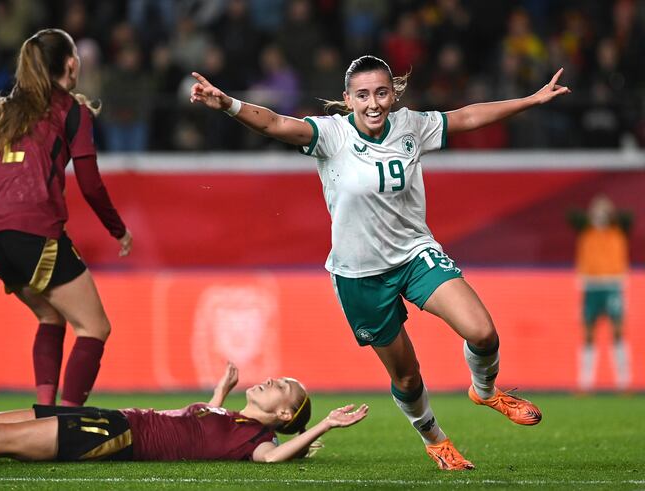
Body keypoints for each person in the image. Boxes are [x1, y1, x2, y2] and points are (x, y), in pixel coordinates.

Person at [190, 55, 571, 470]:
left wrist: (530, 100)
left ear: (394, 94)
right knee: (407, 375)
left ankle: (485, 390)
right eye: (363, 94)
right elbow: (276, 123)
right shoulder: (331, 134)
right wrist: (228, 103)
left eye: (382, 92)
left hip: (414, 254)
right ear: (348, 98)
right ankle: (436, 441)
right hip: (359, 276)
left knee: (482, 332)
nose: (373, 103)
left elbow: (466, 117)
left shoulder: (411, 126)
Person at [0, 28, 133, 407]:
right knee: (94, 327)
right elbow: (90, 185)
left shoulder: (3, 112)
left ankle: (45, 411)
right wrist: (118, 229)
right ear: (72, 65)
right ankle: (69, 422)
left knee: (51, 317)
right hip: (34, 233)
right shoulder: (71, 110)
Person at [0, 362, 368, 464]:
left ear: (284, 415)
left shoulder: (254, 442)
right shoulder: (228, 420)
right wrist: (219, 392)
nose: (271, 380)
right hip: (110, 414)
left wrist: (325, 424)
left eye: (281, 387)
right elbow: (199, 421)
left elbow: (273, 459)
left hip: (114, 434)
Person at [569, 195, 633, 392]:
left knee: (618, 332)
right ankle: (585, 383)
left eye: (603, 211)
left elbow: (629, 216)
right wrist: (591, 214)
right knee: (588, 334)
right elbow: (571, 215)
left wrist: (610, 212)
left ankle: (624, 382)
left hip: (612, 284)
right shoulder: (585, 232)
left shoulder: (618, 231)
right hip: (591, 286)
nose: (600, 215)